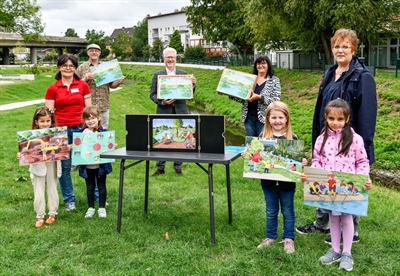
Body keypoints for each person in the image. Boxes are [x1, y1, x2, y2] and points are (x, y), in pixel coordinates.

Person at [296, 29, 377, 240]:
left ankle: (352, 230)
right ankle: (322, 223)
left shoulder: (362, 77)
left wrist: (363, 148)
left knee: (348, 182)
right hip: (326, 138)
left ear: (354, 49)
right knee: (324, 178)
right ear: (332, 48)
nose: (340, 50)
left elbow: (367, 117)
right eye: (337, 46)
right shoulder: (330, 72)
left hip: (349, 142)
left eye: (345, 46)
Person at [301, 98, 372, 271]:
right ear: (326, 117)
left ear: (347, 119)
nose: (336, 123)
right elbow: (317, 160)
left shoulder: (356, 139)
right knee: (333, 218)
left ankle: (347, 253)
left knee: (347, 218)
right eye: (332, 118)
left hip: (348, 188)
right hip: (328, 188)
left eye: (340, 119)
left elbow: (362, 162)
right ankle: (334, 250)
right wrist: (311, 175)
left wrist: (364, 178)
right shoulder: (320, 139)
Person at [45, 54, 92, 211]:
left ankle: (96, 196)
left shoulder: (83, 85)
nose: (68, 68)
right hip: (61, 132)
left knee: (89, 163)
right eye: (65, 65)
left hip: (81, 129)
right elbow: (49, 113)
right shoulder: (53, 88)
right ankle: (69, 200)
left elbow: (89, 109)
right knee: (65, 167)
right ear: (59, 67)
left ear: (75, 68)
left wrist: (90, 128)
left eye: (71, 66)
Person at [254, 101, 297, 254]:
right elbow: (257, 158)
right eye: (274, 117)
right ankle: (270, 237)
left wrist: (301, 162)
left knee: (288, 211)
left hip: (287, 185)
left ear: (286, 118)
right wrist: (249, 156)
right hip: (268, 183)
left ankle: (288, 238)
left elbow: (296, 163)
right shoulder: (262, 137)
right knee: (271, 210)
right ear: (268, 119)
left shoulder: (293, 138)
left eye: (280, 117)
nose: (277, 121)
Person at [149, 47, 196, 176]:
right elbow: (152, 95)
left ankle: (178, 166)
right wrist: (162, 102)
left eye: (172, 57)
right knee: (162, 137)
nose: (170, 59)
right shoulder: (157, 75)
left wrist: (192, 85)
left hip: (181, 109)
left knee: (178, 137)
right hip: (163, 110)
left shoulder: (183, 73)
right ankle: (160, 167)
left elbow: (189, 93)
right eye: (168, 57)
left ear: (176, 59)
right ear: (164, 59)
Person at [17, 106, 61, 227]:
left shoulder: (56, 134)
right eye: (42, 121)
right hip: (37, 165)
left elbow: (60, 147)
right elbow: (26, 151)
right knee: (38, 190)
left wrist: (67, 147)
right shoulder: (31, 137)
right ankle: (40, 215)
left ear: (51, 121)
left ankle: (52, 213)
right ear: (36, 122)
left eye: (48, 121)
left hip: (52, 163)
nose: (45, 124)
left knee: (52, 188)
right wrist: (20, 154)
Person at [76, 43, 125, 129]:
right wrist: (85, 78)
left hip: (103, 104)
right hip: (88, 106)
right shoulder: (82, 67)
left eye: (96, 51)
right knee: (87, 129)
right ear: (88, 53)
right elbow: (75, 85)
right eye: (91, 51)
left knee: (103, 129)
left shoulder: (106, 67)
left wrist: (118, 82)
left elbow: (111, 85)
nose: (94, 52)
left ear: (99, 53)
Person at [229, 55, 281, 136]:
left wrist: (260, 97)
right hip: (248, 117)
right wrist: (229, 93)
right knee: (251, 144)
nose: (261, 66)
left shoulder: (274, 80)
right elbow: (242, 97)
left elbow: (276, 101)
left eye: (263, 63)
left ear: (268, 65)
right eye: (258, 64)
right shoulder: (249, 79)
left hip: (264, 118)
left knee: (263, 143)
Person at [78, 107, 114, 218]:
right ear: (84, 120)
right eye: (87, 119)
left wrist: (112, 145)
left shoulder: (103, 132)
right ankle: (91, 207)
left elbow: (108, 147)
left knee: (102, 186)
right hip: (87, 167)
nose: (90, 121)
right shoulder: (82, 133)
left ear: (98, 118)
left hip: (101, 166)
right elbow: (79, 149)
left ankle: (102, 208)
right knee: (90, 187)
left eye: (93, 118)